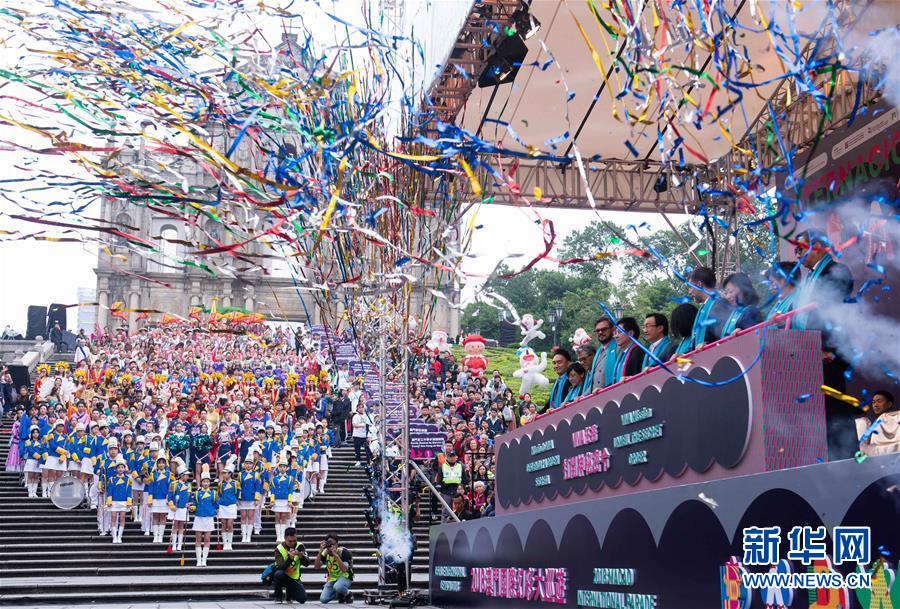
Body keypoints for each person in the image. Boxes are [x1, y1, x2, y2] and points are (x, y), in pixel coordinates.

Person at [792, 229, 855, 460]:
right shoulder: (809, 278)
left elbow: (832, 309)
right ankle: (823, 461)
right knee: (817, 414)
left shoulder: (836, 270)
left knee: (835, 411)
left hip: (829, 351)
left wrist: (822, 346)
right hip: (807, 352)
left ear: (817, 245)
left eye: (800, 248)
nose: (798, 254)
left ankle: (847, 461)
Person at [687, 266, 726, 349]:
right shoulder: (702, 310)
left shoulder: (721, 304)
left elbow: (724, 336)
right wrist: (682, 355)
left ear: (699, 284)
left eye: (690, 287)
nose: (689, 292)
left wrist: (708, 347)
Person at [856, 390, 899, 457]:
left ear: (889, 404)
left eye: (879, 401)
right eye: (873, 402)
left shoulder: (897, 416)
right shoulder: (869, 423)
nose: (875, 405)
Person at [273, 526, 310, 604]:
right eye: (290, 541)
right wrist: (289, 559)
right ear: (285, 538)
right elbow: (280, 567)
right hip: (283, 576)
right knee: (278, 574)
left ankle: (289, 594)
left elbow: (307, 564)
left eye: (294, 541)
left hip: (294, 578)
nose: (293, 543)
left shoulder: (300, 546)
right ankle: (278, 596)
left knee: (302, 599)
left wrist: (302, 557)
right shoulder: (279, 549)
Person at [190, 465, 218, 567]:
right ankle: (198, 559)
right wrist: (191, 507)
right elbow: (194, 504)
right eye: (204, 481)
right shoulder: (197, 493)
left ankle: (204, 560)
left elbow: (216, 505)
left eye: (207, 481)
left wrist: (217, 511)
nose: (206, 483)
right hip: (199, 517)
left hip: (209, 518)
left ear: (209, 483)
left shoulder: (213, 493)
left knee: (207, 539)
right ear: (201, 482)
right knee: (198, 539)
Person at [315, 533, 354, 604]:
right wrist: (320, 551)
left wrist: (336, 555)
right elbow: (316, 566)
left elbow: (344, 569)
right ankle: (340, 594)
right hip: (332, 579)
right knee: (323, 599)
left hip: (345, 577)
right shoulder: (325, 553)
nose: (331, 547)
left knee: (338, 586)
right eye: (329, 545)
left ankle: (348, 594)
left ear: (337, 544)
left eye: (333, 544)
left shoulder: (343, 552)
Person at [611, 317, 643, 384]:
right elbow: (616, 380)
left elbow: (638, 377)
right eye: (615, 333)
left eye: (619, 332)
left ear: (630, 333)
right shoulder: (621, 354)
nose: (616, 336)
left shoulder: (638, 352)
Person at [589, 317, 614, 392]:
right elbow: (594, 383)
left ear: (612, 329)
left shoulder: (619, 348)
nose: (600, 332)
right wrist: (581, 397)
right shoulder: (598, 352)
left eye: (604, 329)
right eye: (597, 331)